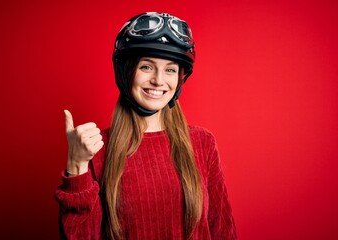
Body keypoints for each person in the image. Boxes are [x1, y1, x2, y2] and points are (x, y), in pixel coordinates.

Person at [55, 12, 237, 240]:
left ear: (179, 78)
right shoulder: (94, 148)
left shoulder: (202, 143)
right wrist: (77, 163)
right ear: (126, 72)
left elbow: (223, 231)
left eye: (170, 69)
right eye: (147, 67)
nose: (159, 80)